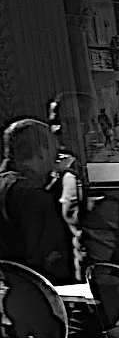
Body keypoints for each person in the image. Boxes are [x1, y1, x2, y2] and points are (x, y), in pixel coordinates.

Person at [0, 118, 76, 282]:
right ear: (41, 151)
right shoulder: (33, 196)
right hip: (31, 288)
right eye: (54, 153)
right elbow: (48, 258)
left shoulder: (8, 184)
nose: (55, 160)